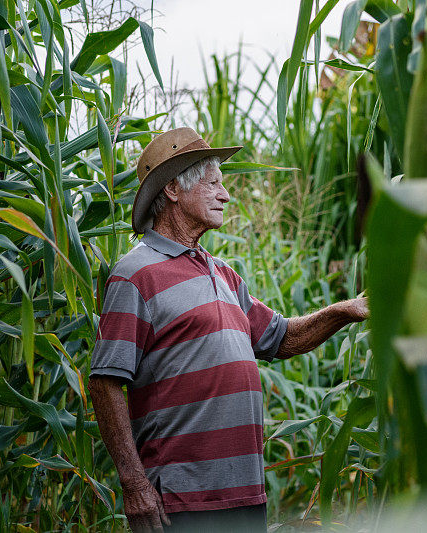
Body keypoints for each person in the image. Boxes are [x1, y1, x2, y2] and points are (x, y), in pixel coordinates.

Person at [87, 128, 368, 533]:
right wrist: (134, 483)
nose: (226, 195)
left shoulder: (224, 274)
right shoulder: (135, 275)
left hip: (245, 494)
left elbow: (282, 337)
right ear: (172, 190)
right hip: (181, 501)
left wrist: (346, 310)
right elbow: (104, 381)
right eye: (213, 184)